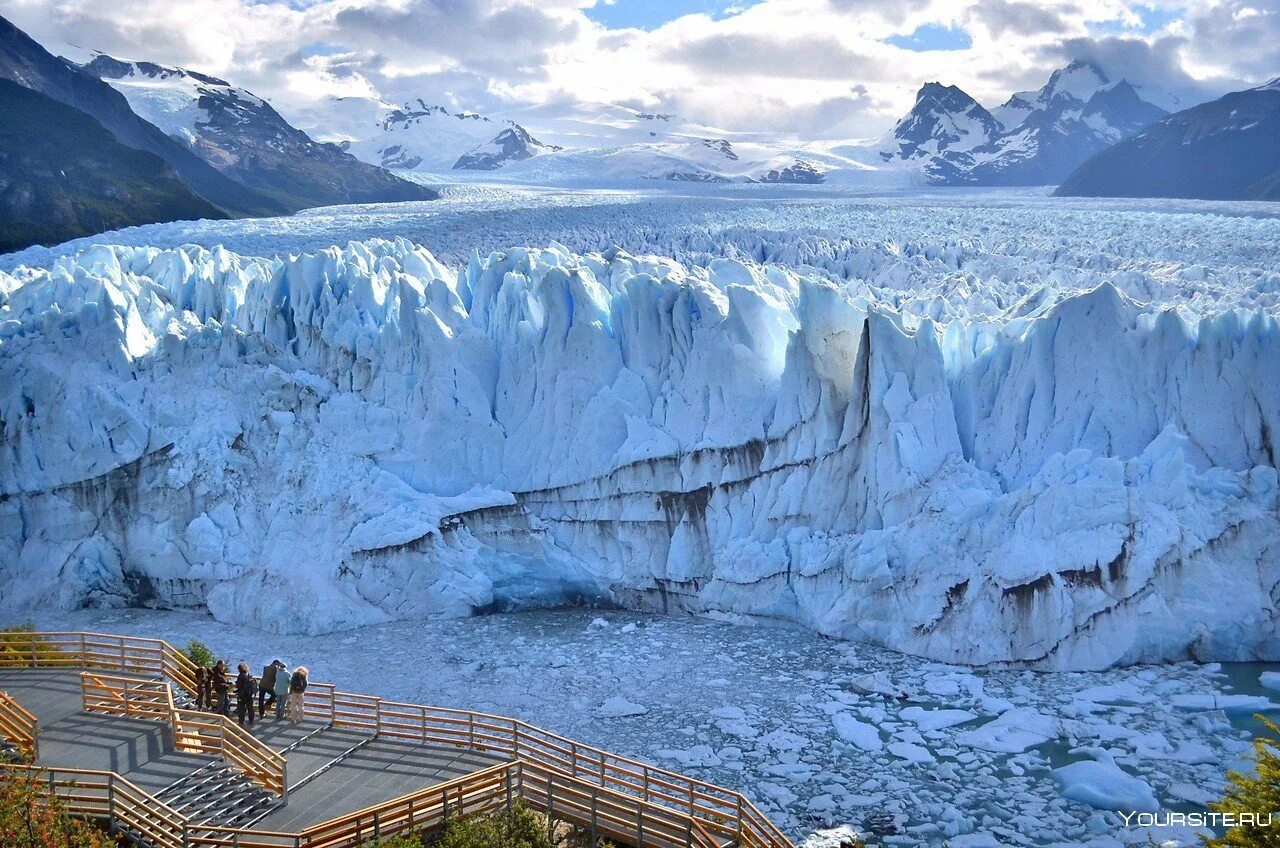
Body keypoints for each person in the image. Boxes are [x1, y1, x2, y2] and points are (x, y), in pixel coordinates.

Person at [234, 663, 257, 727]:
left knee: (241, 709)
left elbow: (239, 686)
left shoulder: (241, 676)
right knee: (250, 708)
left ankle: (241, 722)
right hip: (250, 694)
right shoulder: (250, 675)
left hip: (243, 694)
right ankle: (251, 720)